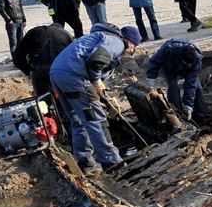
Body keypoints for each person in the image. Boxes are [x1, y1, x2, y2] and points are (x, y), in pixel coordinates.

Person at [47, 23, 141, 175]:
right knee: (96, 120)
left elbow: (95, 67)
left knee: (78, 120)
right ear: (129, 41)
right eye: (133, 47)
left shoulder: (98, 37)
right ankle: (112, 162)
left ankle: (86, 163)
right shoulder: (116, 41)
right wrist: (96, 81)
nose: (131, 51)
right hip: (75, 76)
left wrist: (102, 93)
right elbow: (96, 61)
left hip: (58, 74)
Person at [145, 38, 205, 122]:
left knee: (197, 88)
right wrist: (151, 81)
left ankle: (199, 115)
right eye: (186, 63)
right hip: (170, 65)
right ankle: (177, 114)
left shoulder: (197, 60)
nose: (188, 65)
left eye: (190, 64)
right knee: (173, 87)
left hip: (187, 67)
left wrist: (188, 105)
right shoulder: (168, 48)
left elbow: (191, 83)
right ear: (180, 57)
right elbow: (154, 62)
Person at [11, 22, 72, 98]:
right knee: (67, 98)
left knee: (42, 100)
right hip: (61, 71)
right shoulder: (65, 34)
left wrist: (27, 71)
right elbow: (74, 57)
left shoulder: (33, 32)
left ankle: (46, 106)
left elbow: (17, 57)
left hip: (39, 70)